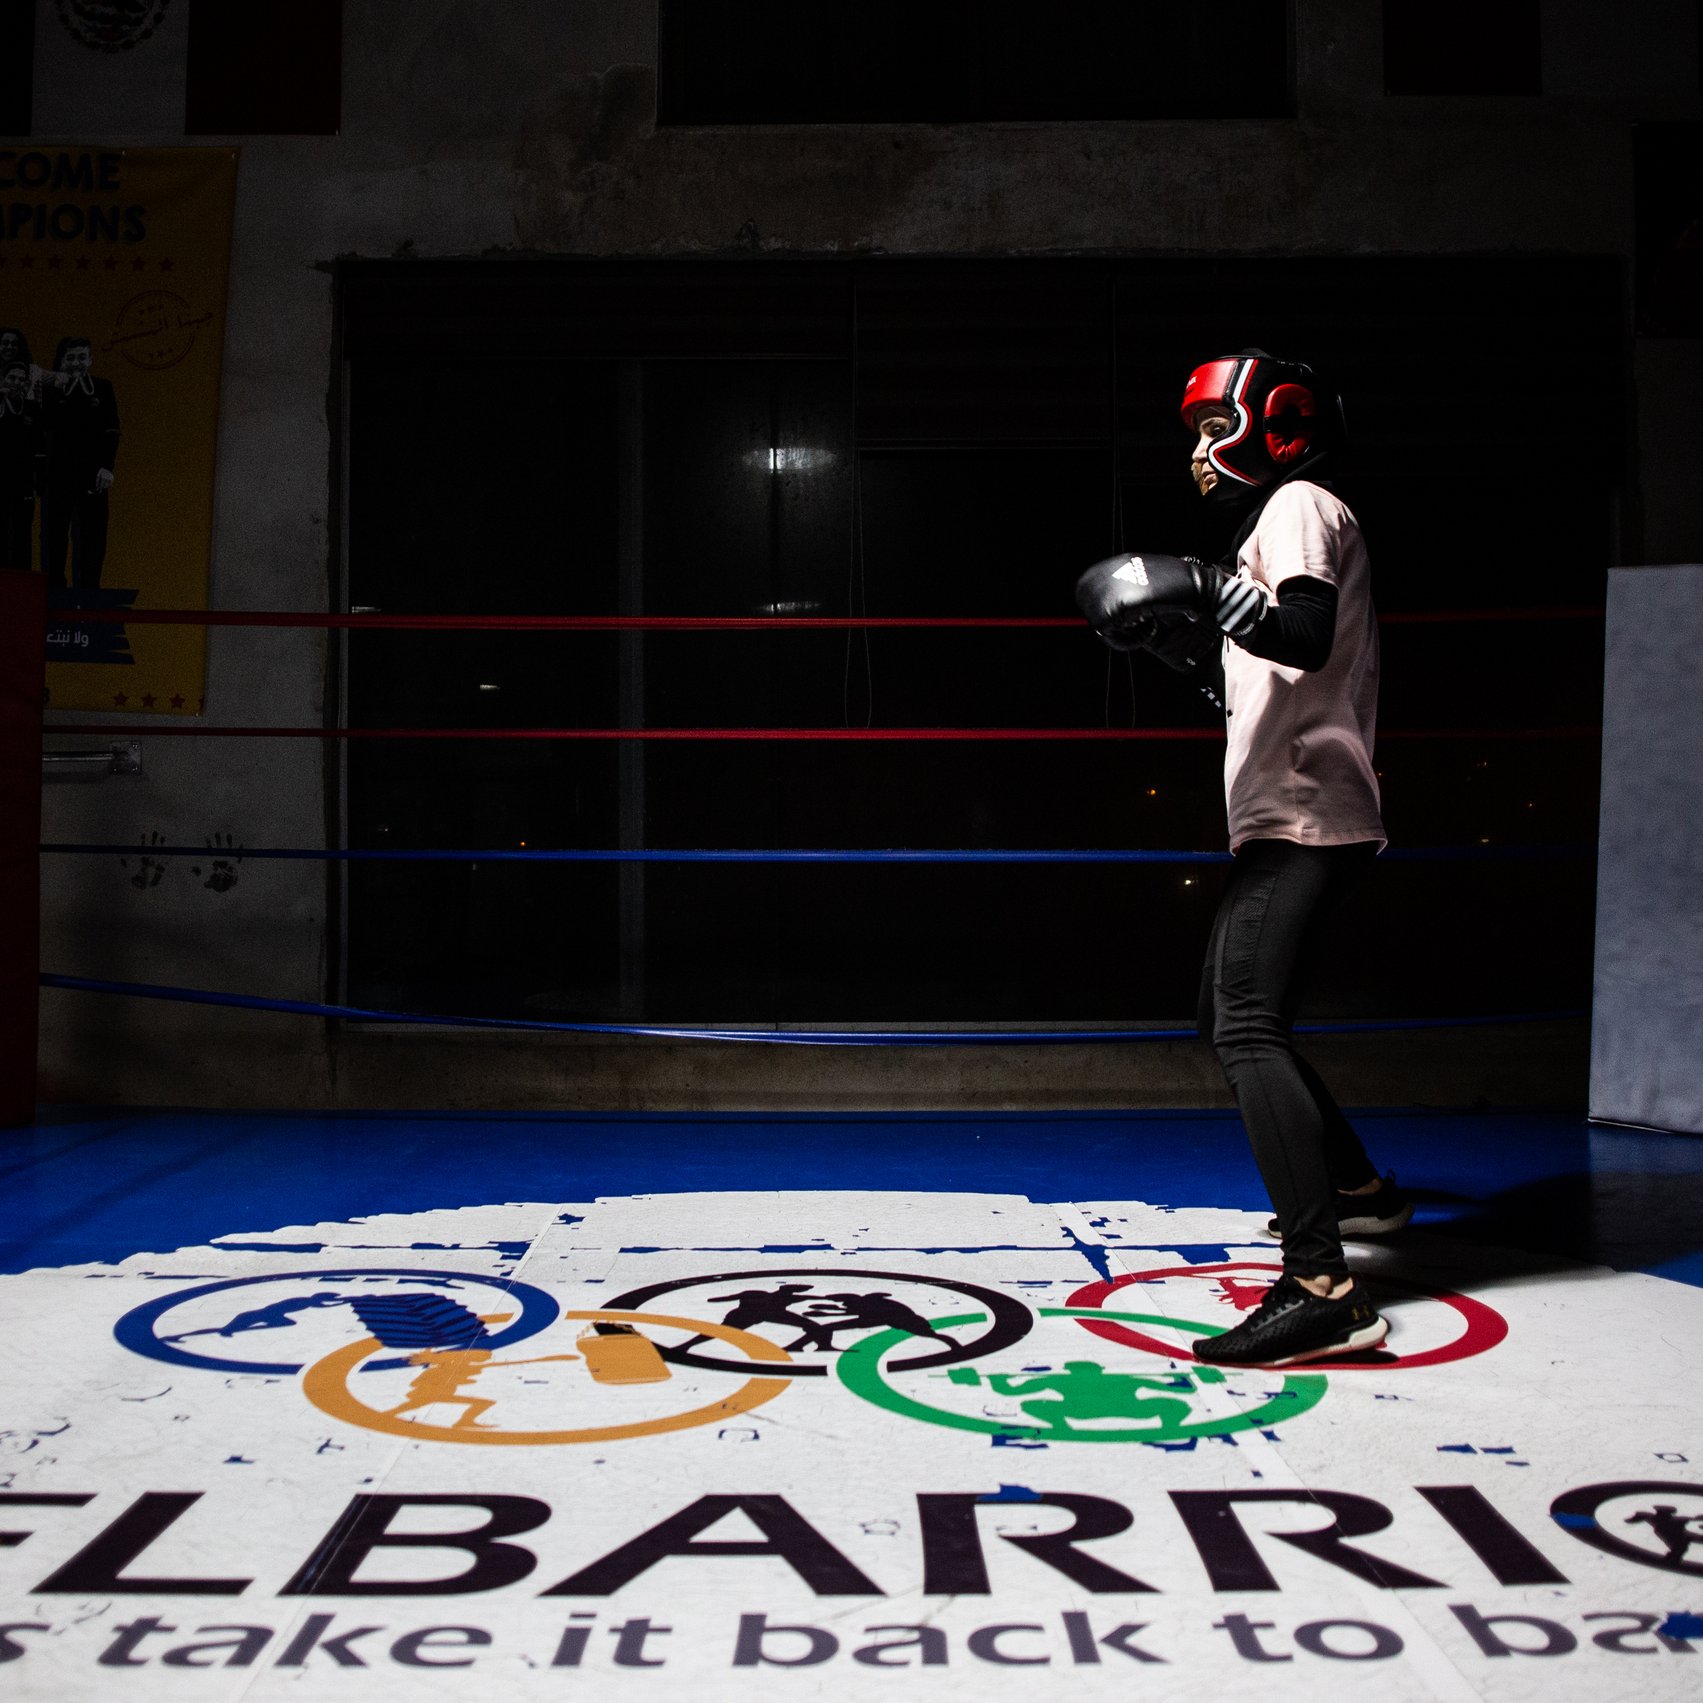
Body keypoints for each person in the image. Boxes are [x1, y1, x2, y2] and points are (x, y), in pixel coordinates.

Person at [1076, 349, 1409, 1368]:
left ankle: (1321, 1286)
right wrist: (1184, 642)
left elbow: (1303, 634)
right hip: (1295, 805)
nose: (1194, 451)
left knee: (1245, 1026)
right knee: (1225, 1014)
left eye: (1203, 427)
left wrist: (1196, 580)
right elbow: (1267, 678)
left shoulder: (1299, 502)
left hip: (1305, 810)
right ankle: (1356, 1189)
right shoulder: (1278, 524)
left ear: (1269, 423)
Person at [40, 335, 120, 592]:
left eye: (82, 357)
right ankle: (52, 594)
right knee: (54, 537)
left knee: (92, 537)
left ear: (90, 359)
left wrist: (107, 467)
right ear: (62, 360)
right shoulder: (50, 390)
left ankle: (88, 596)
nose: (77, 362)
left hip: (93, 475)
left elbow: (112, 430)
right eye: (71, 357)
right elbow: (44, 428)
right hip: (57, 475)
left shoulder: (102, 388)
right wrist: (58, 384)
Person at [0, 359, 44, 570]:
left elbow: (39, 445)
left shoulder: (33, 408)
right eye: (11, 378)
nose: (16, 383)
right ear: (3, 379)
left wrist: (39, 481)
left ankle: (21, 585)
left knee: (22, 533)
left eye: (21, 379)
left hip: (23, 482)